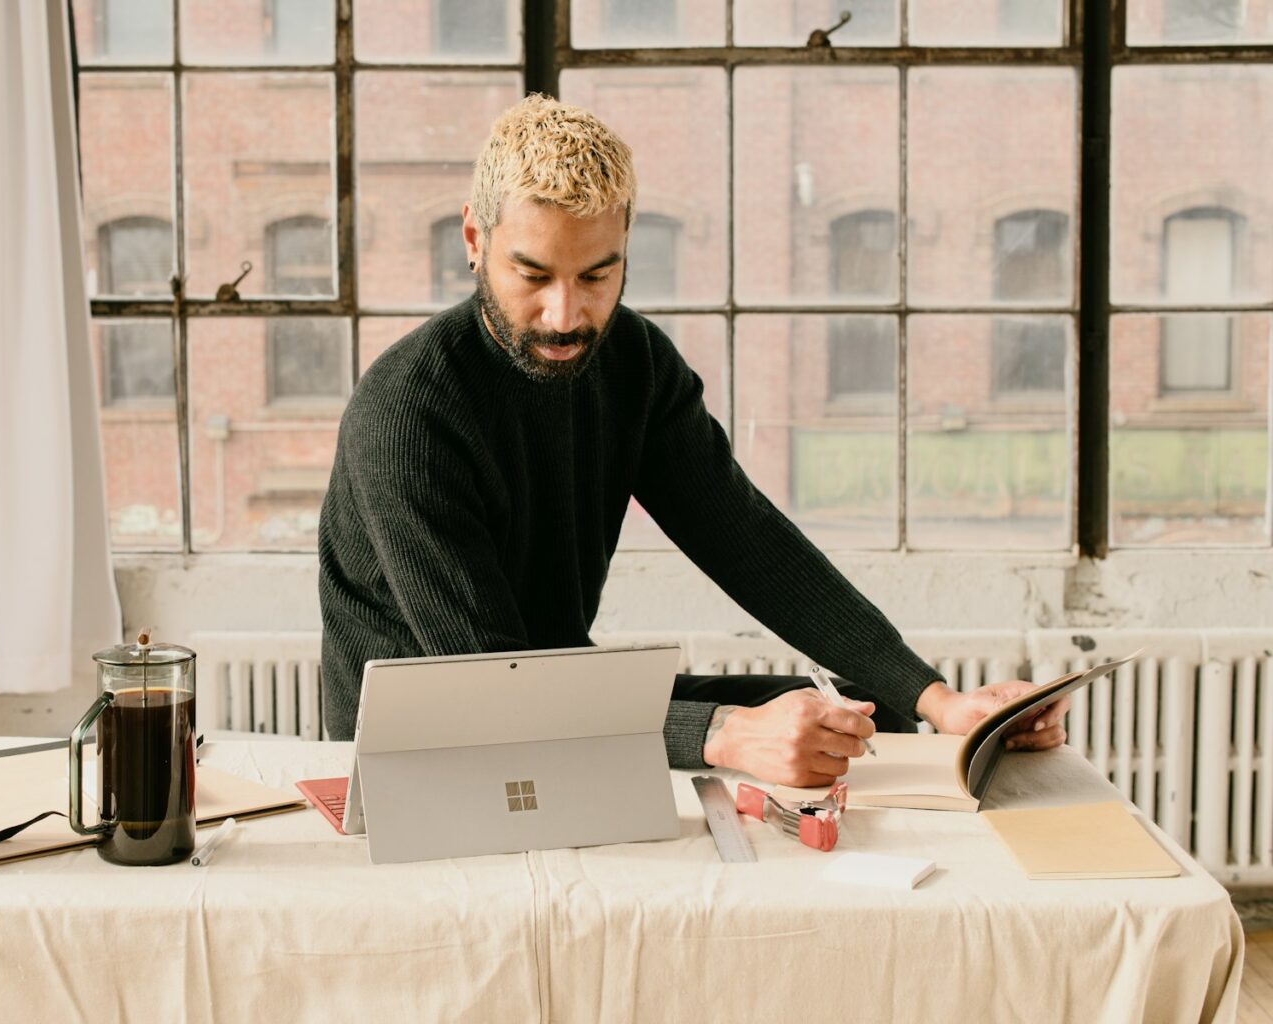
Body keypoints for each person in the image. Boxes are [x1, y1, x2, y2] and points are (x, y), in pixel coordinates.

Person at [318, 94, 1069, 786]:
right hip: (430, 745)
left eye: (596, 276)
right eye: (533, 275)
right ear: (475, 240)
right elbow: (493, 683)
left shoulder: (635, 363)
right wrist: (720, 735)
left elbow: (747, 541)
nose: (565, 315)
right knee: (761, 735)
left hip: (557, 692)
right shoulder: (407, 413)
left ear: (625, 250)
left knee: (866, 714)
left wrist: (940, 700)